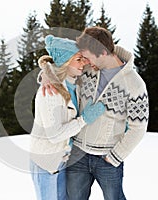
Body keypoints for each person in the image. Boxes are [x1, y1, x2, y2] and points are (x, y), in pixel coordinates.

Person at [41, 27, 149, 200]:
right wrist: (47, 74)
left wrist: (115, 156)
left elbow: (139, 128)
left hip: (107, 158)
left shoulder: (135, 85)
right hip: (78, 154)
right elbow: (62, 66)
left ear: (103, 52)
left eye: (88, 57)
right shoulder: (88, 70)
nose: (85, 61)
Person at [30, 34, 105, 200]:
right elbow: (55, 134)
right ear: (65, 61)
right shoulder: (50, 93)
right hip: (46, 162)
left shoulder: (73, 84)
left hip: (62, 159)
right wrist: (84, 119)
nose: (83, 63)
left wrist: (46, 73)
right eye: (78, 59)